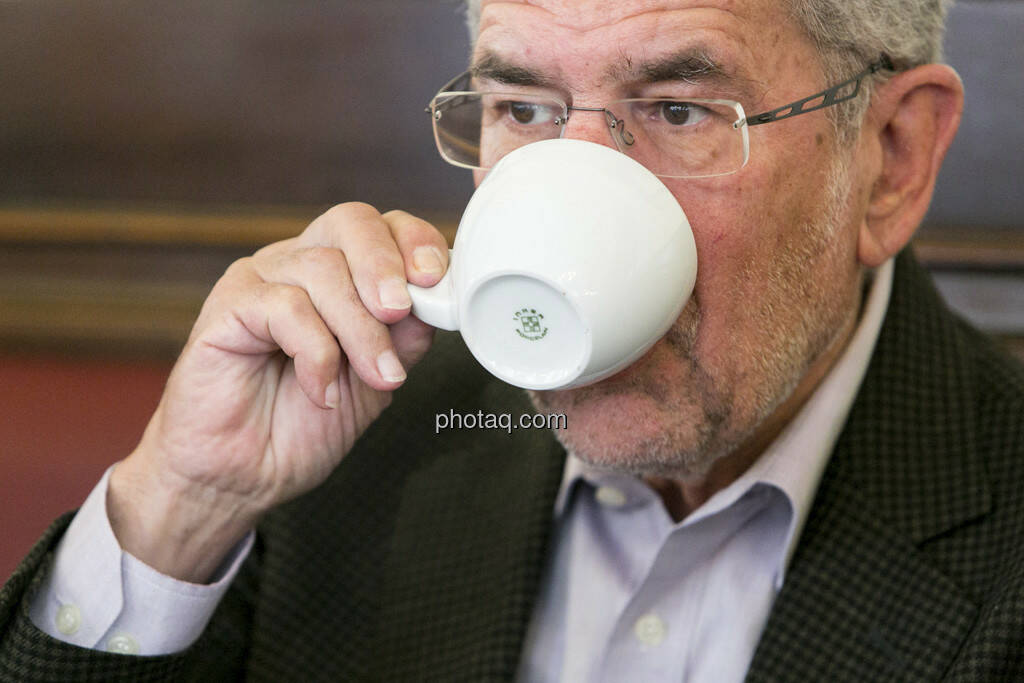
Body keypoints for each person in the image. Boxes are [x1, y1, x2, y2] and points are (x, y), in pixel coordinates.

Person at [2, 0, 1022, 680]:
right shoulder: (355, 424)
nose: (572, 203)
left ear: (889, 158)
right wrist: (185, 506)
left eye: (677, 109)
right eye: (523, 106)